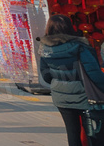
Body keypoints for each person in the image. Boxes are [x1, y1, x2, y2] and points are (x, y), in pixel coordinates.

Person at [39, 14, 104, 146]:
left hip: (61, 97)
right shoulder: (80, 47)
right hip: (84, 97)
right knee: (92, 133)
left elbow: (45, 76)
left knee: (72, 132)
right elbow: (93, 73)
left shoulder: (45, 48)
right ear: (69, 27)